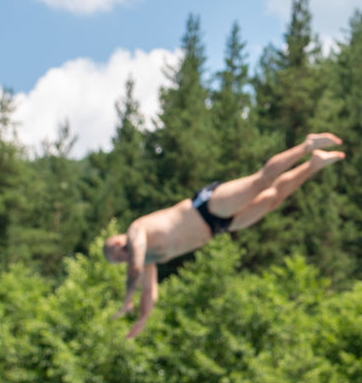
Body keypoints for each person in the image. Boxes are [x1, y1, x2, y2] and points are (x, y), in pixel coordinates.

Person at [104, 132, 345, 339]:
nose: (123, 261)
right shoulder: (149, 258)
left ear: (117, 242)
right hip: (220, 226)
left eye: (118, 257)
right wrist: (142, 319)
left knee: (260, 182)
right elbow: (150, 291)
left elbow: (134, 268)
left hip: (207, 207)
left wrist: (127, 300)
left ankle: (307, 145)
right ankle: (312, 164)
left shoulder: (136, 231)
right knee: (273, 199)